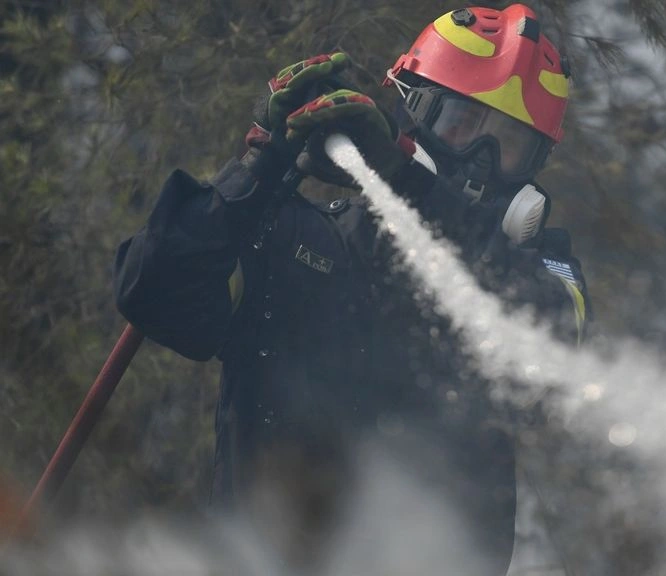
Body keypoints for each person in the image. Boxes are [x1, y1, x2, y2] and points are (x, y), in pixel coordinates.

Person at [113, 4, 588, 574]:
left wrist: (407, 181)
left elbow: (553, 349)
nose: (480, 161)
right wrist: (261, 163)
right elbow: (152, 290)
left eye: (509, 143)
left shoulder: (541, 276)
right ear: (411, 114)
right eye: (461, 121)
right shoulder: (296, 237)